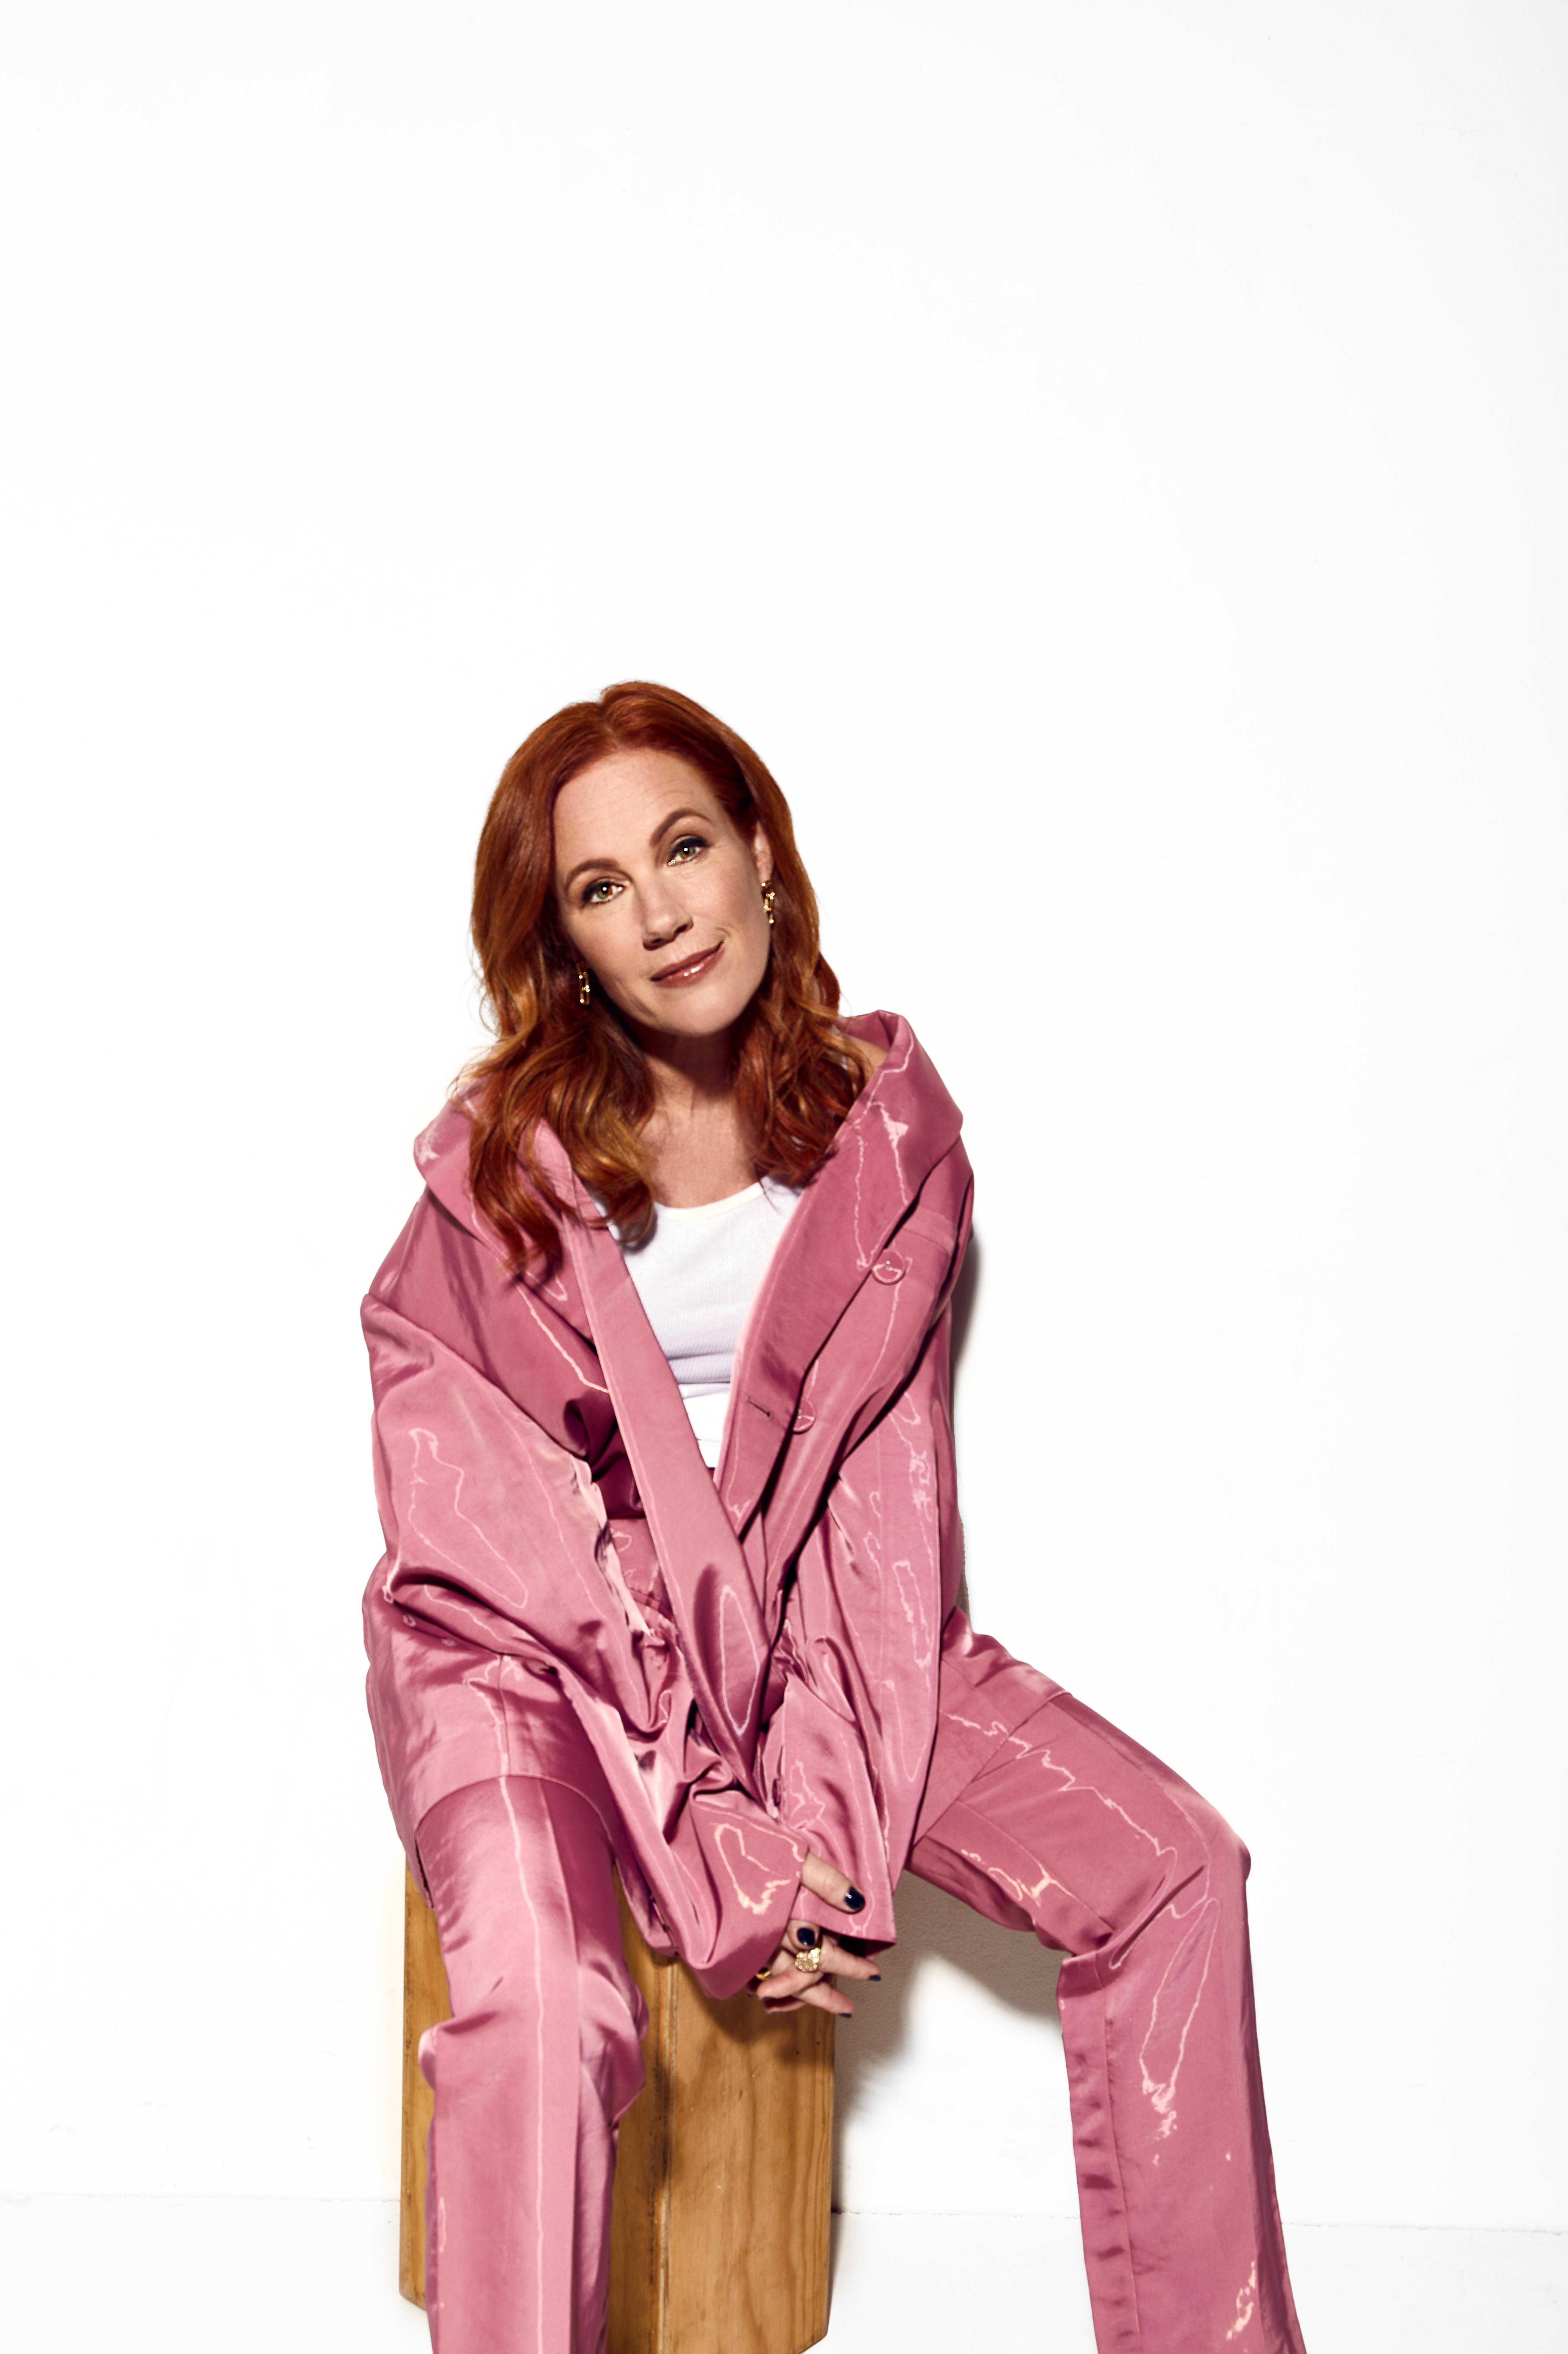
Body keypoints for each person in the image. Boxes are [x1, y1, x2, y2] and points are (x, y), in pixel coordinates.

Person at [361, 681, 1308, 2354]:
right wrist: (730, 1862)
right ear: (564, 946)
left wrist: (822, 1840)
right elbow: (530, 1571)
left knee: (1175, 1869)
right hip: (531, 1670)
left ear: (757, 852)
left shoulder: (889, 1150)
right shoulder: (494, 1186)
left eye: (683, 848)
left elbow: (876, 1527)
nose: (662, 913)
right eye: (600, 889)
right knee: (541, 2010)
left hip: (823, 1642)